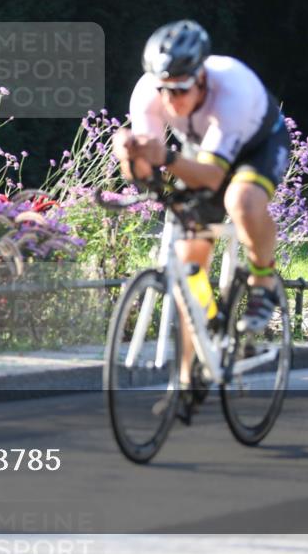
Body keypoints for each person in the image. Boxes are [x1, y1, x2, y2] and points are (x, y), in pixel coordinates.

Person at [112, 20, 290, 399]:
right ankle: (192, 368)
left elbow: (210, 177)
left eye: (180, 89)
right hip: (202, 148)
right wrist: (130, 156)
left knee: (241, 200)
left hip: (256, 147)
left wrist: (165, 156)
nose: (171, 100)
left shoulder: (231, 90)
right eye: (165, 90)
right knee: (189, 259)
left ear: (201, 77)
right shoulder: (148, 93)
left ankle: (263, 280)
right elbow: (146, 169)